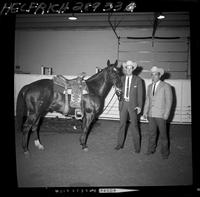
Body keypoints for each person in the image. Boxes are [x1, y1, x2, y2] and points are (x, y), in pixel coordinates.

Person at [143, 66, 173, 159]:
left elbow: (169, 101)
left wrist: (166, 113)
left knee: (163, 135)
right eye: (152, 75)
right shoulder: (149, 87)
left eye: (155, 74)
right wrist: (145, 111)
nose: (153, 76)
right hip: (151, 115)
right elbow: (148, 100)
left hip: (161, 115)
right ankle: (151, 149)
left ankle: (165, 152)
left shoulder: (166, 86)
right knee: (152, 133)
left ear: (159, 75)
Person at [115, 60, 144, 153]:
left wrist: (139, 106)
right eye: (127, 68)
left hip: (133, 106)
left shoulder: (138, 80)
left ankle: (137, 147)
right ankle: (119, 144)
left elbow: (140, 94)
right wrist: (117, 92)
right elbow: (118, 91)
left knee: (134, 126)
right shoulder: (121, 79)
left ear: (133, 69)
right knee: (122, 125)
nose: (128, 70)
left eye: (130, 68)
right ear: (125, 69)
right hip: (123, 104)